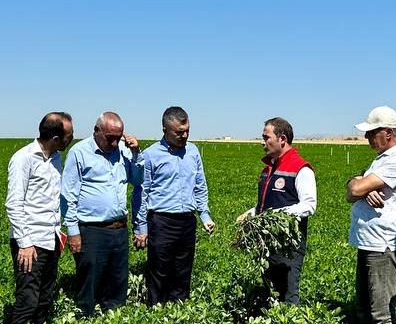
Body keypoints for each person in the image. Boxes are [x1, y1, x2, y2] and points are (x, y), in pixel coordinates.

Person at [345, 106, 396, 324]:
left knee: (380, 313)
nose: (366, 136)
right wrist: (360, 184)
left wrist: (360, 185)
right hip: (372, 242)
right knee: (364, 307)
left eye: (371, 132)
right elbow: (353, 190)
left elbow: (355, 189)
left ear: (388, 133)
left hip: (384, 245)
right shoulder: (383, 158)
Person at [61, 112, 142, 316]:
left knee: (117, 279)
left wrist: (136, 154)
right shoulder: (79, 152)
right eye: (110, 138)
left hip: (119, 227)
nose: (114, 143)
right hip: (91, 229)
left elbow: (138, 180)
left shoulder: (124, 151)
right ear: (96, 131)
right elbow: (67, 195)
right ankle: (84, 317)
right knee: (89, 278)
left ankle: (113, 319)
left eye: (118, 137)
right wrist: (72, 231)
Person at [133, 106, 214, 305]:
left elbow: (199, 184)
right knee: (159, 270)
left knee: (183, 270)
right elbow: (142, 193)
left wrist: (205, 215)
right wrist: (141, 227)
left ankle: (179, 310)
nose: (184, 136)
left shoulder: (193, 151)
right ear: (165, 130)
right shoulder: (150, 155)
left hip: (187, 220)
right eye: (179, 132)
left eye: (187, 131)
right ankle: (156, 311)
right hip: (161, 221)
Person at [234, 117, 317, 305]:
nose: (262, 142)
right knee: (269, 294)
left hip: (289, 246)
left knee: (288, 294)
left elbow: (309, 205)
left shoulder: (301, 169)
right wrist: (250, 214)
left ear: (282, 139)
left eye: (266, 137)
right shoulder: (268, 169)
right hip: (267, 243)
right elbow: (265, 205)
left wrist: (274, 218)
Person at [5, 112, 73, 324]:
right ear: (55, 139)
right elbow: (14, 204)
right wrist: (24, 244)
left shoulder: (56, 158)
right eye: (68, 135)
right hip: (30, 241)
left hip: (51, 238)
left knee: (45, 295)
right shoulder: (23, 158)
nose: (71, 139)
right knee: (28, 297)